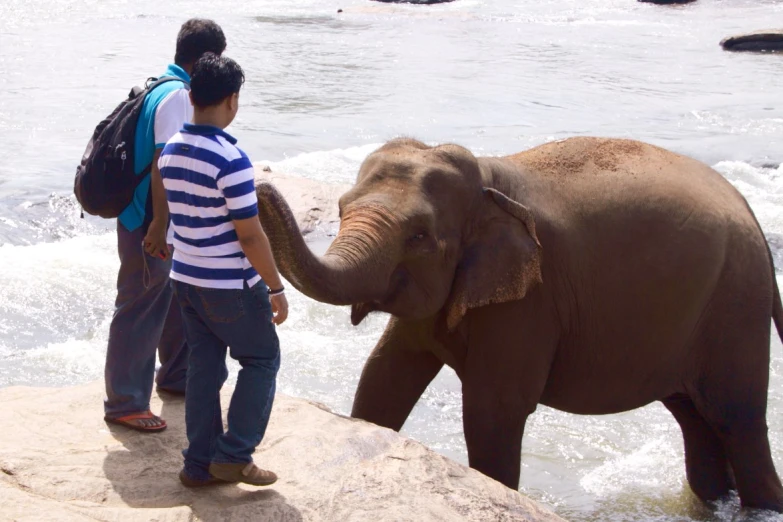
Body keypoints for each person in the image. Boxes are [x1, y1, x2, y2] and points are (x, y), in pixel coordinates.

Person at [159, 53, 289, 487]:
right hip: (229, 285)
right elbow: (250, 236)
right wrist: (275, 287)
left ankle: (198, 464)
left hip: (186, 278)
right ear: (233, 101)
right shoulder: (230, 158)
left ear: (191, 95)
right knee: (261, 358)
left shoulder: (172, 149)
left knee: (204, 367)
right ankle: (235, 454)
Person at [104, 19, 227, 432]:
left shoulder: (161, 86)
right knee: (140, 305)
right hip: (148, 223)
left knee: (171, 300)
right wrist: (160, 225)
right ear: (206, 59)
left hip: (152, 220)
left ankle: (176, 376)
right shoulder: (177, 95)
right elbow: (164, 163)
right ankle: (125, 402)